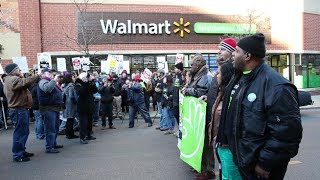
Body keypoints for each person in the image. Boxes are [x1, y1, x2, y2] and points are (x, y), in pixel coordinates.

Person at [216, 33, 303, 180]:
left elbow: (286, 133)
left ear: (247, 56)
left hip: (260, 167)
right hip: (244, 160)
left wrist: (265, 163)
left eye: (236, 51)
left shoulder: (277, 86)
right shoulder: (241, 77)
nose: (233, 55)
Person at [196, 38, 237, 180]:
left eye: (223, 49)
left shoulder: (232, 71)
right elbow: (216, 92)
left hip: (224, 125)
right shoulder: (219, 69)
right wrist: (208, 97)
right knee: (220, 157)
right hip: (214, 119)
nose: (218, 51)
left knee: (226, 161)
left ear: (232, 53)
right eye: (219, 49)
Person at [3, 63, 40, 162]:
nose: (20, 71)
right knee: (20, 133)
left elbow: (25, 83)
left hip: (20, 109)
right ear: (13, 71)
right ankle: (18, 154)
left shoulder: (12, 79)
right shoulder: (13, 79)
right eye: (18, 69)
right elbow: (24, 82)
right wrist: (37, 76)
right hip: (18, 109)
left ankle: (21, 150)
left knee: (23, 132)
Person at [38, 68, 64, 153]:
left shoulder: (50, 81)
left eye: (52, 72)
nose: (52, 74)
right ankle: (49, 147)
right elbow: (47, 89)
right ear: (43, 74)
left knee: (55, 128)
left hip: (53, 108)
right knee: (50, 128)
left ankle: (53, 143)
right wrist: (54, 80)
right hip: (48, 108)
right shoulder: (43, 81)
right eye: (49, 72)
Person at [75, 72, 98, 144]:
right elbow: (82, 92)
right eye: (86, 77)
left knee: (89, 122)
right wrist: (85, 83)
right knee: (83, 123)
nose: (88, 78)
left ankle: (89, 135)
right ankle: (82, 137)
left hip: (89, 105)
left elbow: (95, 90)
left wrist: (92, 82)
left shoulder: (88, 83)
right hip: (82, 106)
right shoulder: (78, 83)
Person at [62, 73, 79, 139]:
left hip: (66, 103)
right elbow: (71, 96)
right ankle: (70, 134)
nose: (74, 78)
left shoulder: (64, 85)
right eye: (73, 77)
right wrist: (75, 102)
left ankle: (68, 133)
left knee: (68, 119)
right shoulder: (71, 86)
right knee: (70, 119)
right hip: (70, 104)